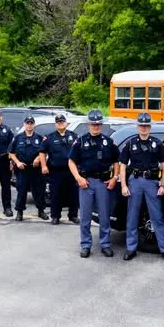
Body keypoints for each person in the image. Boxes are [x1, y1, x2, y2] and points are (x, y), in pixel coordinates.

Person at [119, 112, 164, 262]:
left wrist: (162, 185)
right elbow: (123, 165)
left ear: (150, 127)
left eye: (146, 125)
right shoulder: (130, 143)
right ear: (138, 126)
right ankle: (131, 248)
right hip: (135, 181)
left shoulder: (157, 143)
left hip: (152, 182)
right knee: (132, 216)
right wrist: (123, 185)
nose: (144, 128)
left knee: (157, 216)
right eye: (141, 125)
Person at [68, 109, 119, 258]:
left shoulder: (108, 142)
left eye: (98, 124)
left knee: (104, 216)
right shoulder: (81, 141)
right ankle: (85, 245)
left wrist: (115, 177)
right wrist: (78, 178)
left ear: (101, 125)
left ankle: (105, 244)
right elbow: (71, 161)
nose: (96, 126)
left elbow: (116, 161)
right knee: (85, 216)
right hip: (86, 182)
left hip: (103, 183)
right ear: (89, 125)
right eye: (93, 124)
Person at [39, 113, 79, 225]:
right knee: (56, 195)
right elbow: (42, 152)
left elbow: (79, 152)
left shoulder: (74, 136)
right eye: (58, 122)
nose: (60, 124)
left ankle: (73, 215)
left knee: (73, 194)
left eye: (62, 121)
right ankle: (55, 216)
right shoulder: (49, 137)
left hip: (71, 171)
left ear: (66, 123)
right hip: (56, 171)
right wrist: (43, 165)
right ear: (56, 124)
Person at [8, 116, 49, 222]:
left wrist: (38, 158)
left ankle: (41, 211)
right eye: (27, 123)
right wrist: (17, 162)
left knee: (39, 191)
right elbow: (11, 153)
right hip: (23, 169)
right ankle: (19, 212)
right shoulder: (17, 138)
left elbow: (44, 152)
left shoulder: (40, 138)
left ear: (34, 125)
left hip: (36, 169)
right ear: (24, 124)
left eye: (31, 123)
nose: (29, 125)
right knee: (21, 191)